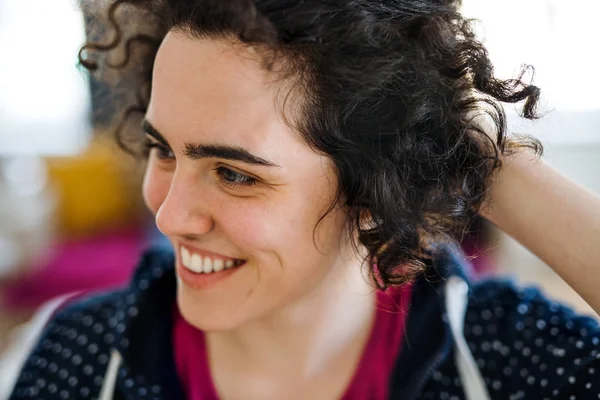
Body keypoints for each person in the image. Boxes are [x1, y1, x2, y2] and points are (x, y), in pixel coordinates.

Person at [8, 0, 600, 399]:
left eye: (235, 174)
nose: (168, 214)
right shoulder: (78, 359)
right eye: (164, 149)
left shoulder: (506, 358)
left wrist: (478, 152)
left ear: (374, 187)